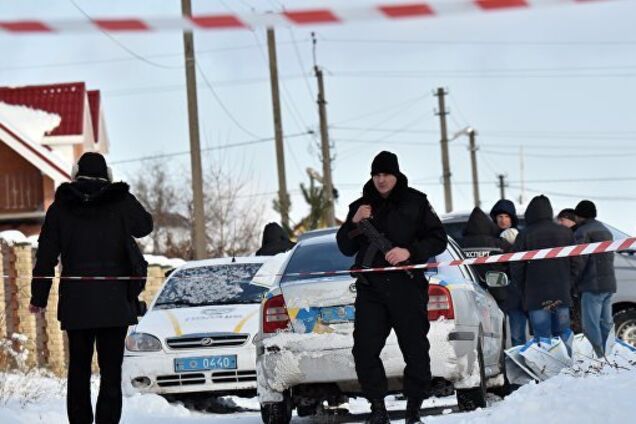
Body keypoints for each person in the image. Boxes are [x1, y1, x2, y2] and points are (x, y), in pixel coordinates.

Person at [29, 152, 153, 424]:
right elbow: (145, 225)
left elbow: (46, 255)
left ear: (76, 174)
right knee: (110, 371)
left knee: (79, 370)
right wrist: (121, 197)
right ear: (106, 175)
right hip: (115, 303)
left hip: (77, 305)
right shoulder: (120, 201)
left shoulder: (61, 207)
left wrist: (38, 298)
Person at [336, 151, 447, 424]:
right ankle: (377, 409)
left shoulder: (416, 202)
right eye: (377, 175)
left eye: (386, 174)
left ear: (396, 175)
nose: (381, 180)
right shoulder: (360, 205)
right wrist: (353, 222)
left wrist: (408, 251)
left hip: (406, 288)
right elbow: (345, 247)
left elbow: (438, 239)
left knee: (415, 350)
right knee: (364, 349)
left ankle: (413, 411)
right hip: (371, 290)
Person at [510, 195, 576, 350]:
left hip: (536, 294)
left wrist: (523, 287)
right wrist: (569, 283)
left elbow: (516, 265)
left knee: (542, 334)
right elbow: (576, 263)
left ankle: (546, 370)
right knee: (563, 331)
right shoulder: (566, 233)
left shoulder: (525, 234)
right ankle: (568, 365)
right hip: (561, 292)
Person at [573, 200, 617, 357]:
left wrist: (573, 282)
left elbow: (579, 261)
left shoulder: (582, 232)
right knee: (606, 323)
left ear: (580, 215)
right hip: (608, 284)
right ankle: (610, 355)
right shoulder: (605, 231)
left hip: (592, 285)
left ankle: (598, 357)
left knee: (591, 325)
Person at [489, 199, 526, 346]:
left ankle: (521, 363)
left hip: (517, 293)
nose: (503, 220)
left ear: (512, 218)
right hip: (497, 292)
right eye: (500, 217)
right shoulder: (491, 239)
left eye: (506, 216)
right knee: (497, 336)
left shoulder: (522, 237)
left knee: (518, 335)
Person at [459, 207, 512, 309]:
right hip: (496, 292)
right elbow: (512, 264)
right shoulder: (499, 244)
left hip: (466, 292)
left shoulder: (459, 245)